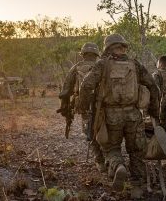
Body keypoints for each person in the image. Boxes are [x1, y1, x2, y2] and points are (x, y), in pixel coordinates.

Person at [79, 34, 160, 191]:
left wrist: (84, 107)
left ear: (107, 48)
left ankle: (118, 167)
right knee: (136, 151)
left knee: (111, 148)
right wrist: (154, 112)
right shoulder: (134, 64)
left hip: (110, 115)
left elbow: (86, 85)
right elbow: (152, 86)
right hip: (134, 115)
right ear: (123, 46)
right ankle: (137, 187)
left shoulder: (102, 64)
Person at [58, 42, 106, 172]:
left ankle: (99, 159)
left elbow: (66, 90)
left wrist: (65, 106)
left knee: (89, 130)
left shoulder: (76, 67)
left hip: (85, 105)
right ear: (97, 53)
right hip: (104, 104)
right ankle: (109, 158)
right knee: (104, 128)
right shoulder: (103, 65)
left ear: (83, 54)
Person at [152, 55, 166, 168]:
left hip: (162, 108)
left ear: (160, 63)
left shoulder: (157, 74)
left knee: (161, 132)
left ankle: (163, 156)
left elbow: (155, 92)